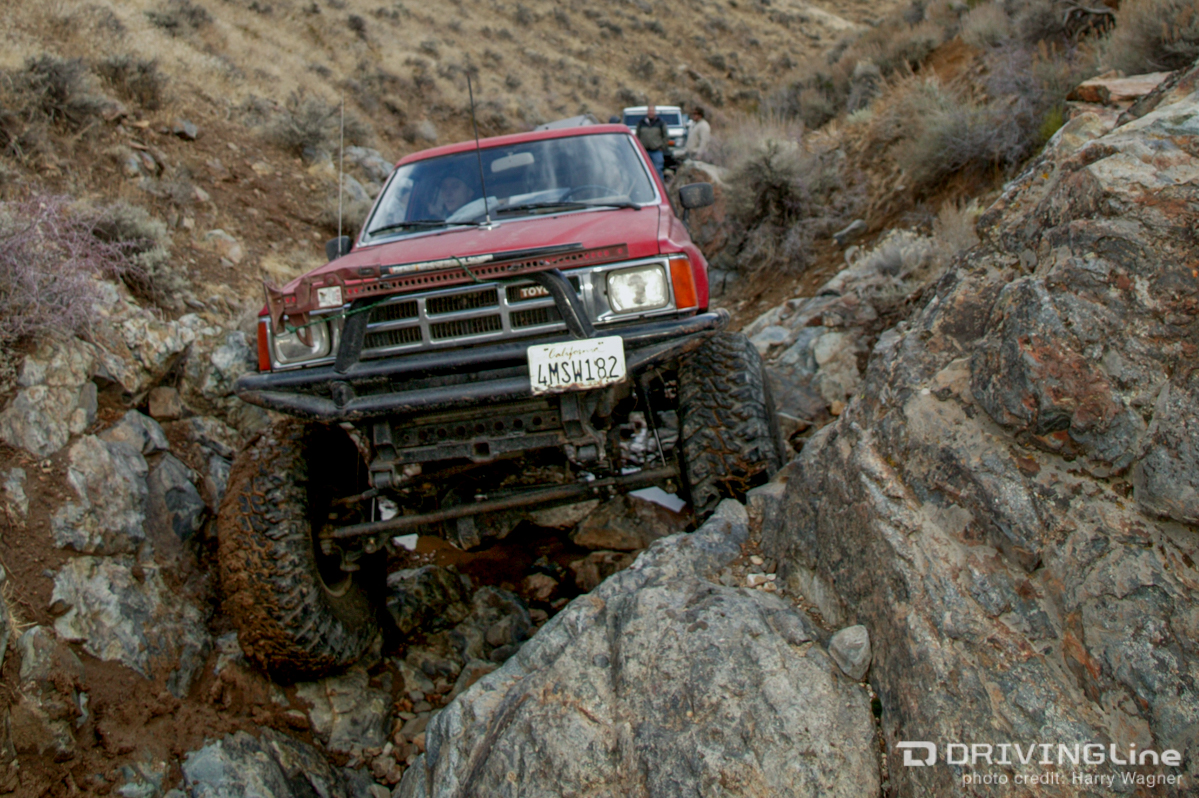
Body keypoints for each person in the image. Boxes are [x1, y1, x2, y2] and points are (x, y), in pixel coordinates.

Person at [635, 104, 669, 182]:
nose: (651, 112)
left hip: (656, 151)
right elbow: (637, 136)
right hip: (644, 151)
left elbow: (665, 136)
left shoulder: (661, 123)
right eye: (649, 111)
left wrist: (662, 147)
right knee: (644, 170)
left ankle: (660, 188)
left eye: (652, 111)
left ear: (655, 112)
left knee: (658, 171)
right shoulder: (641, 123)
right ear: (647, 112)